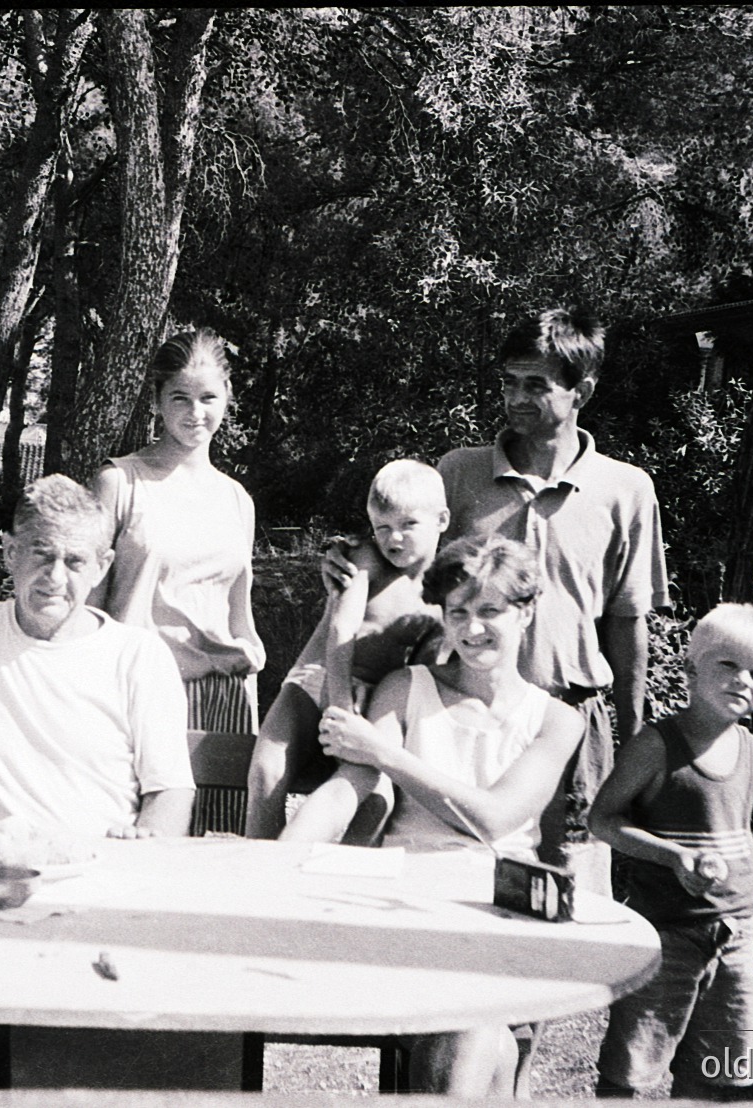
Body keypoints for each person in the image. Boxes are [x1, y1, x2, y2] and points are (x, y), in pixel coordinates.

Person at [331, 307, 669, 893]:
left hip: (569, 717)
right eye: (508, 382)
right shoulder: (458, 474)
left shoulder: (626, 490)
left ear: (581, 390)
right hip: (458, 716)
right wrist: (347, 560)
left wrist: (637, 742)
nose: (516, 398)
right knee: (451, 873)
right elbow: (402, 554)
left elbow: (627, 618)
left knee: (566, 891)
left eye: (536, 384)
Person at [284, 533, 585, 1097]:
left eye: (490, 611)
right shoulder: (406, 688)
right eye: (458, 613)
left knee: (475, 1029)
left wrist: (387, 753)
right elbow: (349, 785)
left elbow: (496, 819)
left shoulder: (556, 721)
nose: (473, 629)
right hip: (415, 905)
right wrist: (281, 857)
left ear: (526, 612)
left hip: (506, 908)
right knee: (481, 1035)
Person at [0, 474, 196, 839]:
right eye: (41, 554)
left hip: (99, 865)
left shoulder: (138, 655)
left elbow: (170, 790)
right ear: (11, 553)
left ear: (101, 566)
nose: (55, 577)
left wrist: (142, 852)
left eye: (74, 561)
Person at [591, 603, 753, 1098]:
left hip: (734, 932)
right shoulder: (656, 745)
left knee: (721, 1067)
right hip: (665, 931)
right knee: (631, 1065)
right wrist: (672, 857)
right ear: (689, 668)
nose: (743, 680)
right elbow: (603, 820)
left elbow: (741, 835)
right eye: (728, 665)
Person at [245, 459, 449, 839]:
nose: (395, 539)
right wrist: (340, 705)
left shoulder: (442, 594)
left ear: (442, 520)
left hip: (377, 703)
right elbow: (342, 628)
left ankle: (338, 877)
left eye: (408, 525)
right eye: (382, 527)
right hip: (323, 676)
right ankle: (261, 868)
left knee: (375, 795)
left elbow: (424, 668)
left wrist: (369, 725)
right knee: (267, 768)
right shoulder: (366, 559)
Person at [90, 327, 265, 734]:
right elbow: (90, 610)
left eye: (208, 398)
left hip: (225, 702)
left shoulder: (237, 500)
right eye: (180, 398)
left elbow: (239, 616)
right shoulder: (119, 483)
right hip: (133, 696)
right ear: (157, 401)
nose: (195, 413)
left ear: (227, 396)